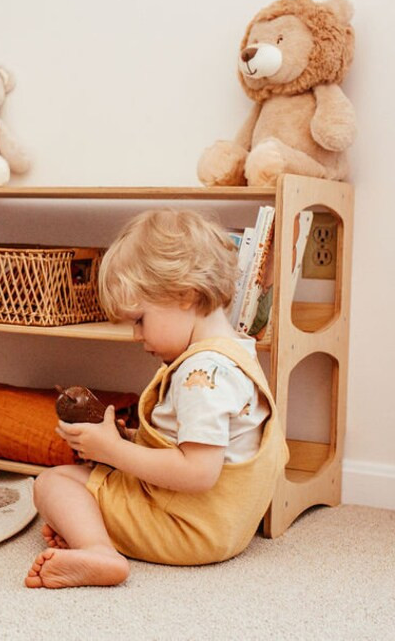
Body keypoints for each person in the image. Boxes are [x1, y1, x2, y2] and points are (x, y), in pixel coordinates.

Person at [25, 209, 288, 588]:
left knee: (53, 484)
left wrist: (112, 453)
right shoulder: (236, 355)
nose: (135, 336)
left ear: (184, 295)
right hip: (226, 524)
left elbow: (199, 473)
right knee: (79, 488)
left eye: (139, 319)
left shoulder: (201, 375)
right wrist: (126, 441)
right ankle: (92, 533)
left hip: (186, 528)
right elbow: (206, 447)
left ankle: (98, 551)